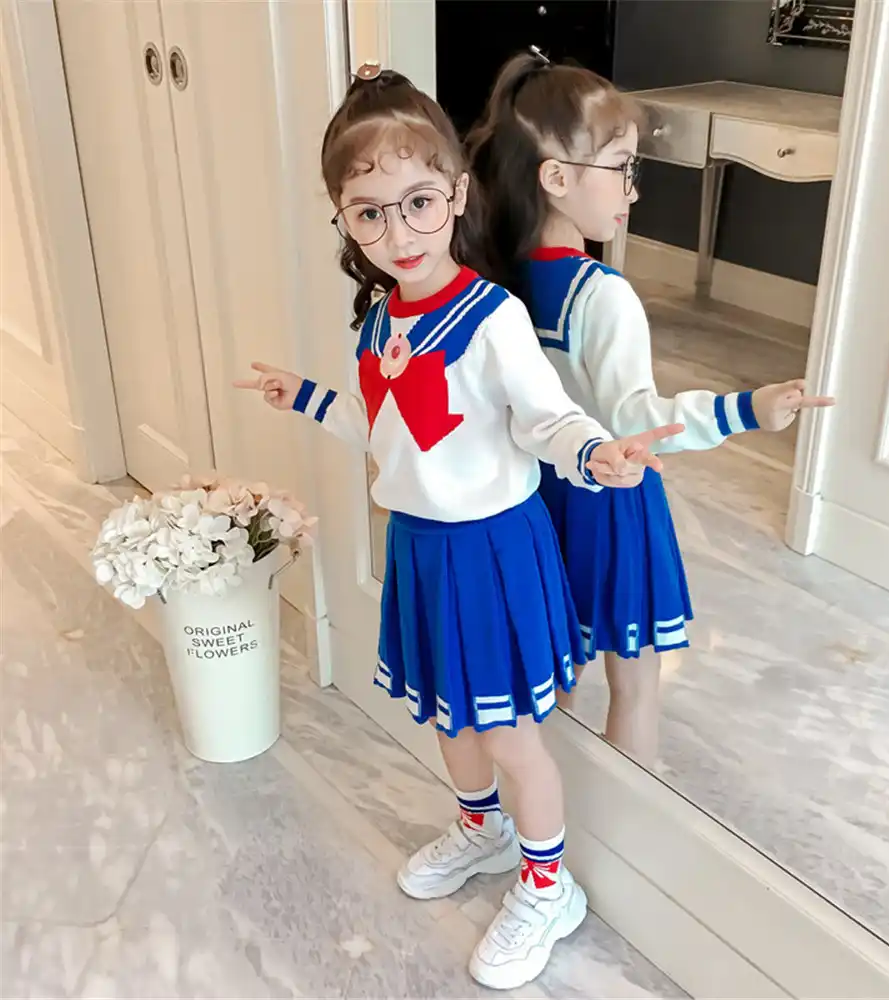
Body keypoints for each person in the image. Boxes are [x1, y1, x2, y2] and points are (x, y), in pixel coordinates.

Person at [235, 64, 681, 990]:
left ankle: (549, 886)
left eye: (419, 203)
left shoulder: (493, 317)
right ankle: (483, 829)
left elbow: (545, 419)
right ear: (343, 220)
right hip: (423, 547)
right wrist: (304, 396)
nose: (398, 233)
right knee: (448, 715)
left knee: (513, 735)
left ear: (459, 194)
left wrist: (595, 453)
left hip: (494, 549)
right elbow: (381, 427)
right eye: (369, 213)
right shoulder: (377, 324)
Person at [468, 51, 835, 768]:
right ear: (556, 178)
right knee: (634, 683)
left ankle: (548, 796)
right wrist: (747, 409)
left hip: (534, 498)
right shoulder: (602, 295)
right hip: (610, 502)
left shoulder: (494, 284)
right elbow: (639, 424)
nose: (633, 191)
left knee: (555, 666)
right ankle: (625, 806)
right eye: (622, 167)